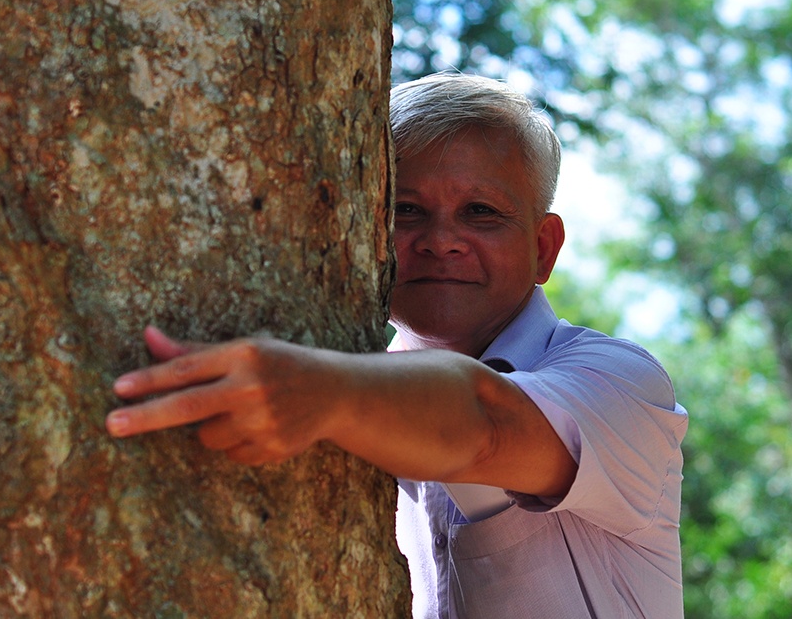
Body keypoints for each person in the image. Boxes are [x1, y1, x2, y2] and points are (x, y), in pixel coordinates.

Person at [105, 72, 688, 618]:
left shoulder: (621, 382)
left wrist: (321, 392)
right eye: (405, 210)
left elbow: (485, 424)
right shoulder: (335, 384)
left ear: (544, 248)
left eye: (480, 213)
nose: (440, 241)